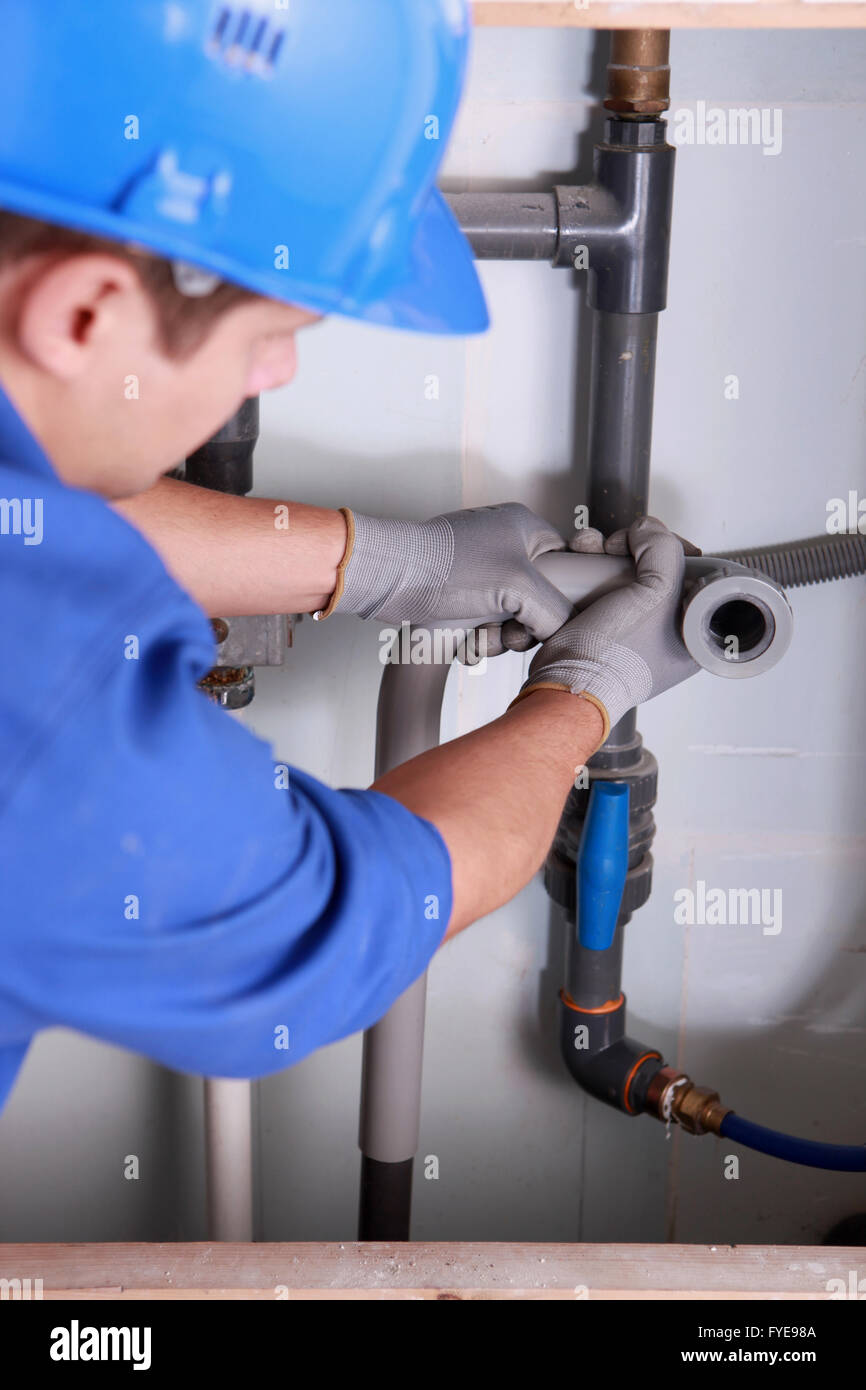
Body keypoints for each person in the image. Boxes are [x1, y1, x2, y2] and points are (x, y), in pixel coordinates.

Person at [0, 0, 697, 1110]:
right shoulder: (44, 708)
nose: (270, 377)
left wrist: (386, 563)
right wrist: (581, 695)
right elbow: (345, 915)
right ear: (83, 316)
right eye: (268, 337)